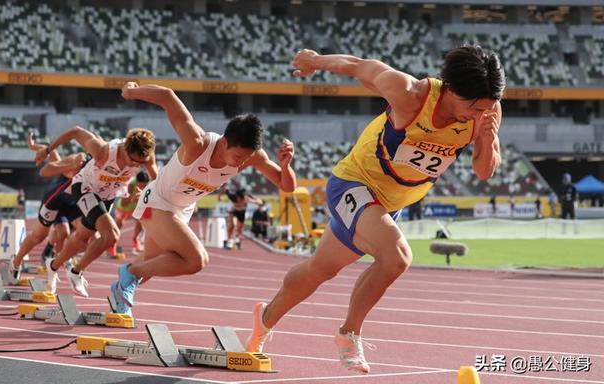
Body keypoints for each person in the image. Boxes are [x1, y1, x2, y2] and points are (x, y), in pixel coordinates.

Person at [244, 45, 505, 373]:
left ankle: (262, 323)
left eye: (486, 108)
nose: (478, 114)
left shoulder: (487, 111)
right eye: (473, 107)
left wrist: (484, 140)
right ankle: (348, 334)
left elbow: (484, 170)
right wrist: (315, 62)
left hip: (390, 203)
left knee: (319, 270)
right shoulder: (409, 94)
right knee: (397, 257)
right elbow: (357, 65)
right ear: (451, 89)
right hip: (354, 183)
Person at [109, 82, 296, 317]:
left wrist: (286, 166)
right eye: (237, 157)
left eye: (245, 159)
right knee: (196, 260)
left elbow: (286, 186)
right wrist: (130, 92)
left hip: (181, 209)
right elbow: (168, 95)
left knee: (148, 270)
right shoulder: (197, 144)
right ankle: (128, 273)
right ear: (225, 142)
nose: (240, 164)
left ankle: (121, 291)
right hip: (156, 201)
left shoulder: (251, 157)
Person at [34, 126, 157, 295]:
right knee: (111, 235)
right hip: (85, 188)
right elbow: (76, 131)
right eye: (132, 160)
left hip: (108, 195)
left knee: (82, 239)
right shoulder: (104, 150)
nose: (136, 165)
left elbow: (156, 179)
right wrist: (47, 150)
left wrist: (148, 191)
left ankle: (53, 265)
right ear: (125, 149)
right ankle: (76, 272)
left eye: (140, 163)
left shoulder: (146, 157)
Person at [9, 133, 88, 284]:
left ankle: (60, 264)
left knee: (85, 234)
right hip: (54, 201)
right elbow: (52, 154)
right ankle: (16, 261)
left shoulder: (99, 170)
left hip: (71, 204)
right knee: (39, 236)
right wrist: (33, 147)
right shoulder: (74, 161)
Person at [109, 171, 151, 255]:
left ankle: (136, 239)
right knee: (118, 226)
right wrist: (133, 198)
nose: (143, 187)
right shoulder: (131, 184)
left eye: (144, 185)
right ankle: (112, 244)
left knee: (140, 222)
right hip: (124, 207)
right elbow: (124, 202)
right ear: (137, 182)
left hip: (135, 207)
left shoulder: (148, 185)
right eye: (141, 185)